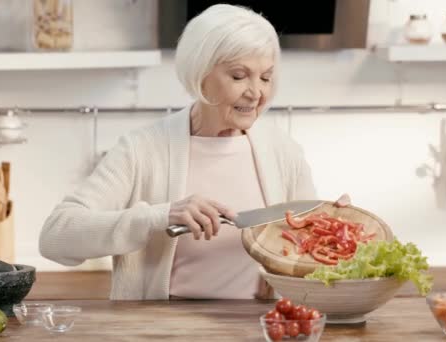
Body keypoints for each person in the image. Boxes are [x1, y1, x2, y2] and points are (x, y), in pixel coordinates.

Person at [39, 4, 350, 300]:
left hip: (262, 326)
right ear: (200, 74)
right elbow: (55, 237)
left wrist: (337, 229)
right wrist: (158, 216)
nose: (256, 93)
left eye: (266, 77)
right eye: (239, 76)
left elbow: (308, 257)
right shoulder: (142, 150)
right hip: (165, 327)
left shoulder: (283, 152)